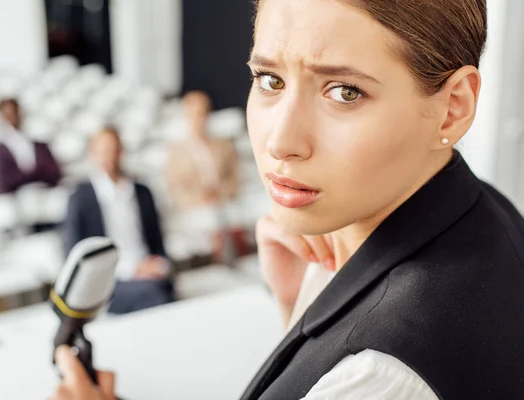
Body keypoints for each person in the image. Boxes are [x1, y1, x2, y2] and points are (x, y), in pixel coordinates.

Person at [51, 1, 524, 399]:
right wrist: (304, 308)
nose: (280, 142)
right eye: (270, 80)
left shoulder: (379, 374)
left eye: (345, 91)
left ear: (453, 107)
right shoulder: (487, 208)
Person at [63, 127, 174, 315]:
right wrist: (133, 270)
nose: (110, 156)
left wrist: (158, 264)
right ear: (93, 154)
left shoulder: (142, 192)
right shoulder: (80, 198)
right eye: (104, 151)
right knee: (154, 294)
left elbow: (157, 242)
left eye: (114, 149)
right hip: (110, 281)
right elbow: (76, 253)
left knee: (159, 288)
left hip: (150, 272)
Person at [166, 91, 243, 262]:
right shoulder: (176, 152)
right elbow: (175, 188)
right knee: (210, 223)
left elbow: (235, 178)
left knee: (227, 219)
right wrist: (200, 198)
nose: (197, 119)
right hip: (195, 207)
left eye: (202, 113)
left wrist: (220, 193)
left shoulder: (224, 145)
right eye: (192, 114)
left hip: (225, 202)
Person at [0, 98, 62, 194]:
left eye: (15, 113)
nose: (12, 118)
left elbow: (54, 173)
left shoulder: (40, 146)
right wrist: (36, 175)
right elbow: (3, 183)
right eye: (7, 115)